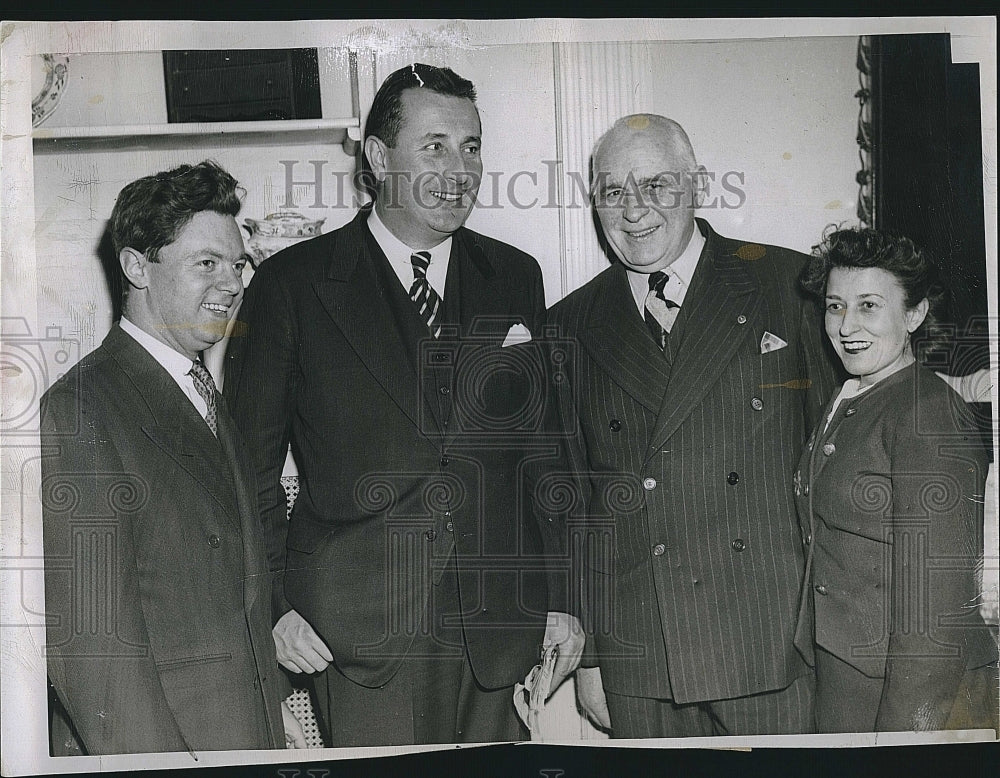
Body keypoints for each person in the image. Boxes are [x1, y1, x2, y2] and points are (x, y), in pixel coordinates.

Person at [225, 63, 583, 747]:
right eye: (435, 146)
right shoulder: (291, 285)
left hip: (499, 627)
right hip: (356, 635)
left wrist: (564, 599)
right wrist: (272, 606)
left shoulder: (513, 275)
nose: (460, 169)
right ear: (380, 157)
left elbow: (547, 452)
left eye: (472, 147)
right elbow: (246, 470)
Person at [547, 113, 838, 737]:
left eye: (656, 185)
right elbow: (577, 506)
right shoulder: (569, 325)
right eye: (613, 192)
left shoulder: (791, 286)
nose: (635, 210)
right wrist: (594, 660)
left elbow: (837, 465)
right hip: (640, 659)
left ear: (697, 184)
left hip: (772, 647)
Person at [41, 161, 306, 755]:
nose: (234, 283)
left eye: (238, 264)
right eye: (206, 263)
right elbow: (93, 643)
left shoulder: (202, 391)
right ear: (136, 266)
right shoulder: (81, 410)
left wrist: (269, 710)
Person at [793, 227, 998, 732]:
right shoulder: (855, 395)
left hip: (909, 687)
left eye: (868, 306)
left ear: (914, 314)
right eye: (834, 305)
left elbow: (935, 608)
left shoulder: (927, 412)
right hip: (851, 671)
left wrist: (905, 738)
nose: (845, 325)